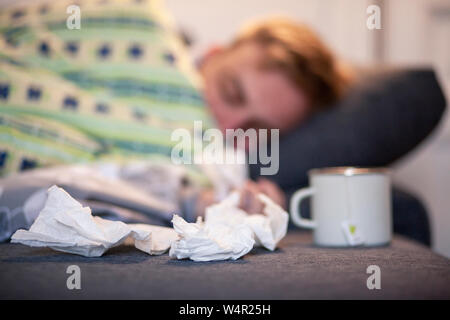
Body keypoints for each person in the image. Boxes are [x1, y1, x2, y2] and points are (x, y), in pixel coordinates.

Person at [199, 18, 447, 245]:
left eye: (256, 129)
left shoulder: (238, 165)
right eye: (230, 93)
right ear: (211, 55)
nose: (228, 128)